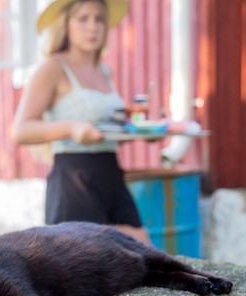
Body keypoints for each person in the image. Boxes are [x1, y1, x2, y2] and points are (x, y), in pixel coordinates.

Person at [13, 0, 150, 245]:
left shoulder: (104, 71)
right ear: (65, 23)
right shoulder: (52, 68)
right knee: (90, 271)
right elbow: (21, 131)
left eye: (99, 19)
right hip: (73, 181)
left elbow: (105, 129)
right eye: (83, 18)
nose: (93, 27)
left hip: (111, 174)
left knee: (143, 254)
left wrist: (141, 132)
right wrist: (71, 127)